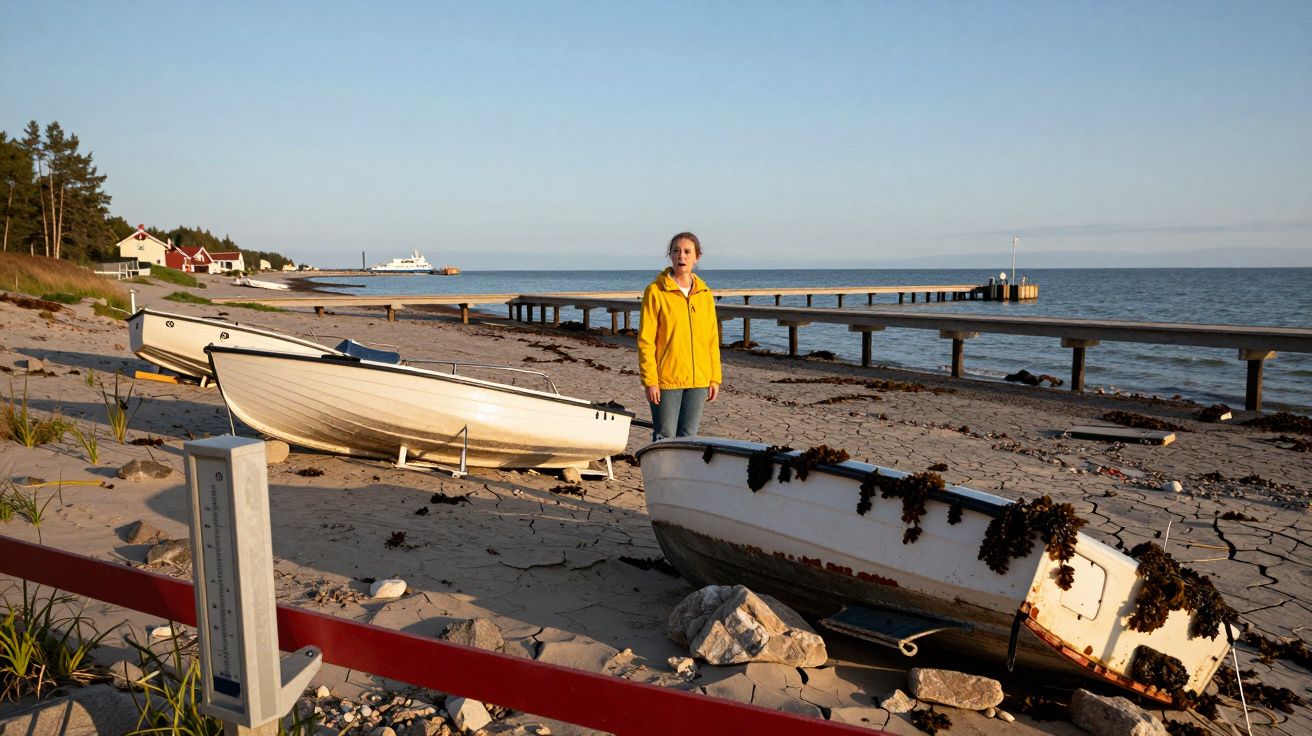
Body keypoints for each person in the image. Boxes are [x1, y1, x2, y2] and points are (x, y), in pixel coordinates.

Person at [637, 232, 723, 440]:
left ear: (697, 257)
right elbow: (645, 341)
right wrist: (651, 381)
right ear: (670, 255)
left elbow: (712, 339)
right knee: (664, 436)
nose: (681, 256)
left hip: (699, 381)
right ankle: (660, 473)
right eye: (676, 251)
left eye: (687, 252)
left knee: (688, 438)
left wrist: (715, 377)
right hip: (667, 380)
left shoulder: (705, 294)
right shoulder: (656, 292)